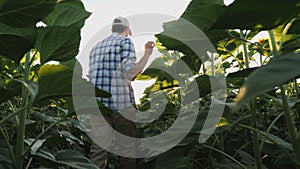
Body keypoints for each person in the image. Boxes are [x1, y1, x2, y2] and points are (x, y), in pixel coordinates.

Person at [88, 16, 155, 169]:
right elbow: (130, 73)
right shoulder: (125, 42)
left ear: (113, 29)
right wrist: (147, 54)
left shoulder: (96, 47)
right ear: (126, 31)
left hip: (98, 107)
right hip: (122, 105)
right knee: (127, 152)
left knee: (98, 152)